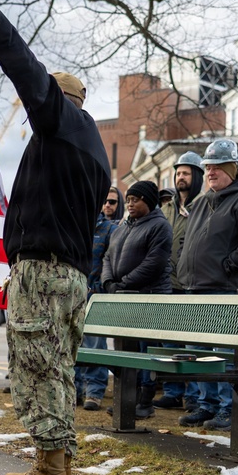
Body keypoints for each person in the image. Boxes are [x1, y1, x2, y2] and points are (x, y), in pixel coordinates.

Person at [0, 0, 110, 475]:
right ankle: (53, 464)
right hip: (65, 276)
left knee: (39, 366)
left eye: (33, 103)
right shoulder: (88, 146)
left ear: (54, 102)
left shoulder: (63, 125)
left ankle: (51, 469)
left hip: (43, 276)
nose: (26, 111)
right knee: (56, 366)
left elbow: (26, 68)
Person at [176, 139, 238, 431]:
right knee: (199, 352)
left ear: (231, 168)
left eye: (216, 167)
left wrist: (228, 265)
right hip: (193, 288)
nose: (210, 172)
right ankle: (206, 405)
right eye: (208, 167)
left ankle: (227, 409)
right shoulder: (201, 202)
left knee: (221, 352)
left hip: (221, 288)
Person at [100, 181, 173, 418]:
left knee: (144, 352)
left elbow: (154, 263)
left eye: (136, 199)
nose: (130, 204)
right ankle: (127, 398)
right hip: (124, 299)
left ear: (149, 201)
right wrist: (109, 282)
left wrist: (124, 283)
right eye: (128, 199)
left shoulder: (159, 226)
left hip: (150, 298)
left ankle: (144, 401)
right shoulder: (123, 227)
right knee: (126, 350)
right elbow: (108, 258)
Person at [153, 151, 205, 412]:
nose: (180, 177)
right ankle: (173, 391)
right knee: (170, 341)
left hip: (192, 285)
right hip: (168, 284)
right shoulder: (166, 208)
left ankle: (195, 396)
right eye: (178, 173)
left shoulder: (205, 204)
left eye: (185, 173)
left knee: (192, 342)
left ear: (196, 176)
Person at [75, 188, 121, 411]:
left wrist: (99, 287)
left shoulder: (110, 229)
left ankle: (94, 391)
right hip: (73, 294)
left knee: (94, 344)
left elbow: (110, 262)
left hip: (96, 295)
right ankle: (74, 389)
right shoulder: (75, 225)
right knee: (72, 344)